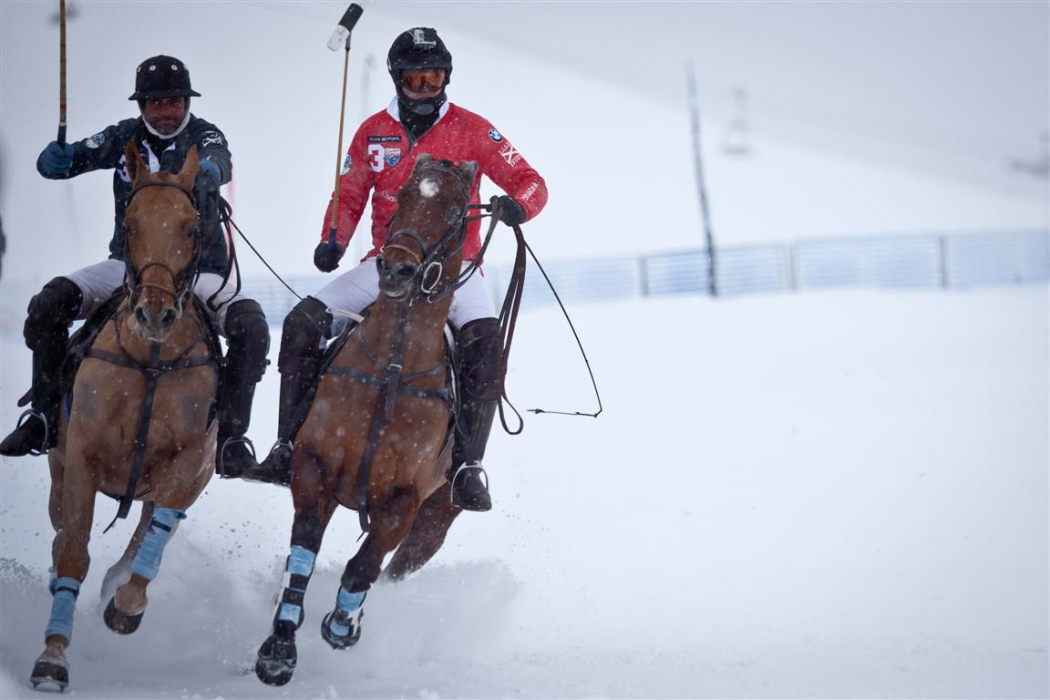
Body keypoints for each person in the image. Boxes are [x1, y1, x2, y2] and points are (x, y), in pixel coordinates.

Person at [242, 27, 548, 511]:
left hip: (458, 270)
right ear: (397, 78)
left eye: (435, 77)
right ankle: (286, 446)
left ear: (446, 78)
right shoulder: (372, 131)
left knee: (486, 345)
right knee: (302, 323)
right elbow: (349, 193)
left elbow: (532, 181)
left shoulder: (474, 129)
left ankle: (468, 465)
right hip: (388, 265)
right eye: (416, 78)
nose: (426, 87)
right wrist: (333, 239)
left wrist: (518, 206)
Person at [0, 55, 270, 479]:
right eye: (155, 103)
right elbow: (72, 160)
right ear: (141, 106)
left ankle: (232, 439)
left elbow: (219, 158)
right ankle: (45, 417)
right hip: (128, 268)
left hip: (203, 273)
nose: (166, 112)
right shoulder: (125, 136)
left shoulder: (205, 135)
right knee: (49, 303)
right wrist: (57, 159)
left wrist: (211, 172)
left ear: (186, 101)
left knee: (251, 328)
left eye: (175, 102)